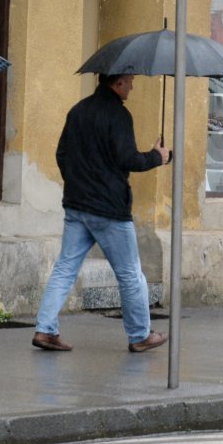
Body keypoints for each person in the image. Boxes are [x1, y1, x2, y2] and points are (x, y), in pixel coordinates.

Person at [33, 74, 171, 353]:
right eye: (129, 81)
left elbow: (62, 153)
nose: (132, 86)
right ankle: (140, 335)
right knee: (130, 274)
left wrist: (76, 182)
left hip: (76, 205)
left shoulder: (78, 110)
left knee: (65, 268)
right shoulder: (119, 115)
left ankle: (45, 330)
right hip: (109, 210)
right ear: (117, 83)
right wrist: (158, 157)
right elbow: (128, 159)